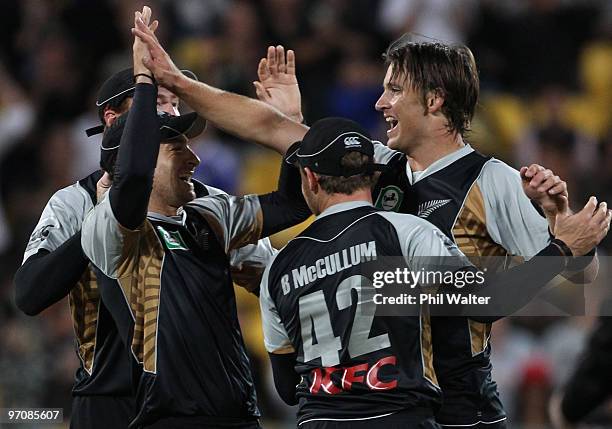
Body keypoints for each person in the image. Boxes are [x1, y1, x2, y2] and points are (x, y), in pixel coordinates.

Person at [132, 18, 608, 428]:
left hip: (463, 408)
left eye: (394, 90)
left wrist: (557, 221)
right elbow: (268, 127)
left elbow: (577, 282)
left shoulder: (493, 181)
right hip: (391, 402)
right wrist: (179, 83)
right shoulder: (375, 167)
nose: (380, 103)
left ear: (435, 100)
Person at [258, 117, 609, 428]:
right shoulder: (407, 233)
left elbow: (288, 390)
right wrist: (561, 249)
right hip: (399, 416)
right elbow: (483, 301)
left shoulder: (279, 264)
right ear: (371, 176)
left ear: (310, 178)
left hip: (319, 419)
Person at [13, 17, 274, 429]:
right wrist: (106, 226)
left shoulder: (205, 202)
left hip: (194, 404)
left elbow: (269, 276)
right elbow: (29, 294)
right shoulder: (73, 201)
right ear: (115, 120)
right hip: (110, 401)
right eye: (156, 103)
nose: (171, 112)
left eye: (174, 103)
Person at [80, 8, 310, 428]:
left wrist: (287, 124)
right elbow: (130, 178)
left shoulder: (210, 212)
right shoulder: (108, 229)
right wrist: (146, 79)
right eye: (176, 148)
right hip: (171, 419)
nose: (195, 158)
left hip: (241, 416)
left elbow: (292, 204)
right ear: (142, 158)